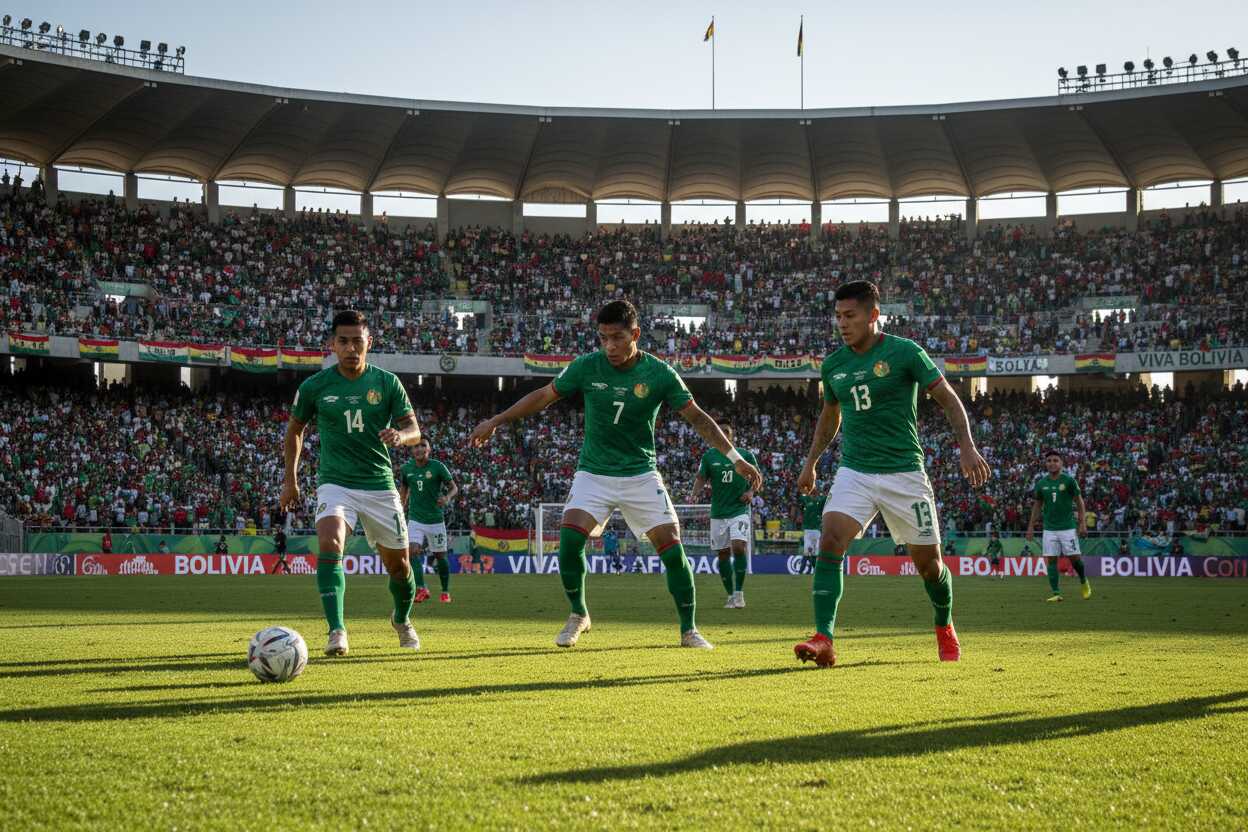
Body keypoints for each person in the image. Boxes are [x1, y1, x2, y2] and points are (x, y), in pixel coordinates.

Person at [468, 299, 762, 649]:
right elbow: (544, 396)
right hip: (594, 473)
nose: (609, 346)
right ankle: (579, 614)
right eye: (603, 338)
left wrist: (733, 458)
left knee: (672, 550)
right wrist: (496, 420)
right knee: (569, 541)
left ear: (635, 335)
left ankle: (689, 630)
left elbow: (697, 417)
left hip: (641, 474)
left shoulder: (659, 373)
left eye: (617, 338)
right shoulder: (586, 366)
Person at [794, 280, 990, 667]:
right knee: (830, 539)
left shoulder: (905, 353)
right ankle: (824, 638)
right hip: (855, 470)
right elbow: (829, 418)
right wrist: (811, 461)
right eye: (838, 317)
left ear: (873, 315)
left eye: (850, 316)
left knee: (930, 567)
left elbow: (949, 399)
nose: (842, 324)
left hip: (905, 474)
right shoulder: (833, 365)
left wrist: (967, 447)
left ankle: (944, 624)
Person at [280, 309, 423, 656]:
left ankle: (402, 619)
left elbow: (414, 430)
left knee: (400, 567)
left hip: (379, 484)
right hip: (335, 482)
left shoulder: (387, 382)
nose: (350, 348)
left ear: (368, 342)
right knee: (329, 543)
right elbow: (295, 430)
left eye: (357, 341)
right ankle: (337, 631)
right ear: (332, 344)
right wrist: (290, 481)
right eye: (343, 341)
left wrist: (400, 437)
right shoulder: (314, 386)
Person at [691, 425, 757, 609]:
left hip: (739, 510)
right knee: (723, 554)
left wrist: (751, 492)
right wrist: (694, 493)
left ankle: (739, 593)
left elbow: (757, 477)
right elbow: (701, 478)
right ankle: (730, 595)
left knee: (739, 547)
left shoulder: (745, 455)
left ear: (731, 437)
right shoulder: (709, 456)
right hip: (718, 512)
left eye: (726, 434)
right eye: (719, 434)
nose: (723, 437)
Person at [1026, 450, 1092, 602]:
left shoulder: (1069, 481)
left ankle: (1083, 581)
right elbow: (1037, 505)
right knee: (1051, 560)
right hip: (1049, 528)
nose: (1052, 463)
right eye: (1049, 460)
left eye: (1055, 460)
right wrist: (1031, 526)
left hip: (1068, 527)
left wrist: (1082, 524)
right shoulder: (1041, 484)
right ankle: (1056, 593)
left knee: (1075, 559)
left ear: (1061, 463)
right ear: (1046, 463)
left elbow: (1080, 502)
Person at [398, 438, 458, 603]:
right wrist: (401, 507)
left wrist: (447, 497)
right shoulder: (406, 469)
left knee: (440, 556)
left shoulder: (438, 467)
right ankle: (422, 588)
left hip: (435, 520)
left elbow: (454, 488)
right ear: (412, 450)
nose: (419, 449)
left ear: (429, 449)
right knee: (411, 552)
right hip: (415, 518)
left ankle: (445, 591)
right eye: (415, 446)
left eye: (422, 445)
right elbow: (404, 490)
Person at [799, 490, 823, 576]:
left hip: (813, 530)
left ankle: (811, 571)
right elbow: (801, 497)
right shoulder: (812, 500)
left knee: (812, 553)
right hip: (811, 531)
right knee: (809, 553)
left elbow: (801, 497)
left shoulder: (812, 500)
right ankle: (802, 571)